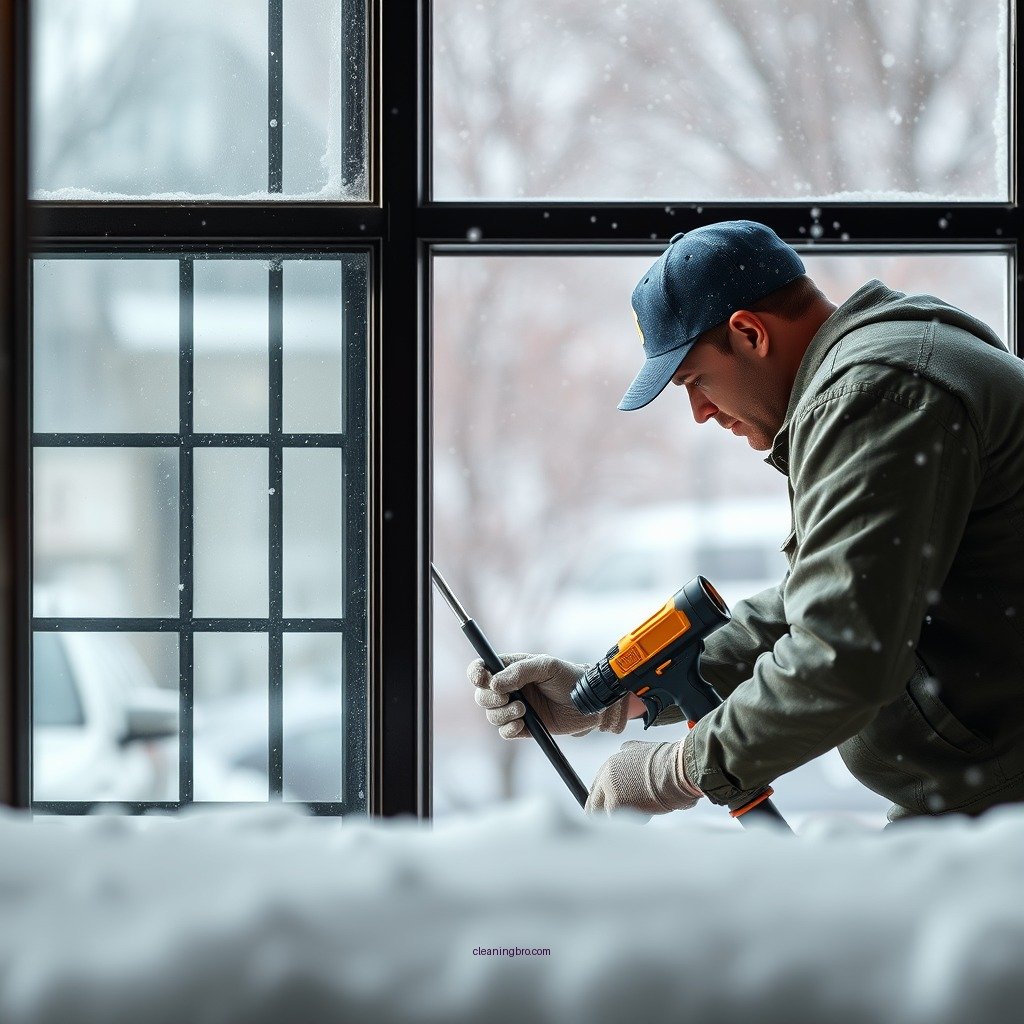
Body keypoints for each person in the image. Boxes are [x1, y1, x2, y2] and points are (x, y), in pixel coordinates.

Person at [468, 219, 1024, 824]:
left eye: (694, 381)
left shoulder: (874, 396)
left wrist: (677, 769)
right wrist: (615, 696)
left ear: (750, 332)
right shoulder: (889, 366)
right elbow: (824, 599)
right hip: (985, 797)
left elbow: (840, 655)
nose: (701, 412)